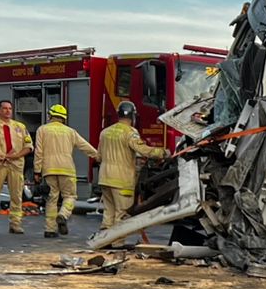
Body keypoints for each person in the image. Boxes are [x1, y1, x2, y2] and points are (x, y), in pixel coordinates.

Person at [96, 102, 169, 234]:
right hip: (122, 180)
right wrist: (162, 153)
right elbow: (142, 150)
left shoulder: (104, 132)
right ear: (133, 116)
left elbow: (98, 157)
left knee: (108, 212)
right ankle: (117, 243)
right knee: (122, 214)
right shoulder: (130, 133)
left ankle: (104, 239)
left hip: (104, 178)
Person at [32, 104, 98, 238]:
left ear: (50, 115)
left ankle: (50, 230)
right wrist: (98, 156)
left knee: (52, 198)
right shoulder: (70, 132)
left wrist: (37, 171)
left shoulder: (42, 130)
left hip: (49, 169)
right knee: (70, 196)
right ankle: (63, 214)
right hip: (67, 169)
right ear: (64, 118)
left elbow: (38, 152)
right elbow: (85, 146)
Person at [0, 99, 31, 234]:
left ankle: (15, 224)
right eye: (4, 108)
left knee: (16, 196)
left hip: (15, 165)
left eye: (10, 108)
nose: (7, 111)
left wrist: (15, 156)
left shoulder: (20, 127)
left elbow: (28, 146)